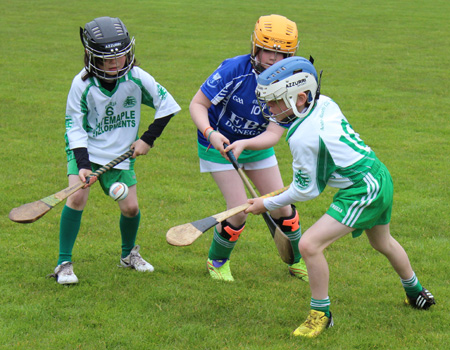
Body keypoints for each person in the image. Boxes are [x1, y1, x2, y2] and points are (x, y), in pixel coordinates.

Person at [236, 56, 435, 337]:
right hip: (378, 174)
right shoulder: (324, 101)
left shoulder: (303, 137)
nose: (268, 108)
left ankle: (321, 314)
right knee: (382, 242)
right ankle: (415, 291)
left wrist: (265, 204)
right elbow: (316, 174)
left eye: (274, 101)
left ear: (300, 97)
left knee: (309, 245)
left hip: (363, 189)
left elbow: (307, 190)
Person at [49, 16, 181, 285]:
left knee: (131, 208)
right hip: (84, 149)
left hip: (120, 154)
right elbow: (74, 127)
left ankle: (127, 256)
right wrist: (83, 164)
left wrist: (147, 139)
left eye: (120, 56)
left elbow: (168, 105)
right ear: (91, 57)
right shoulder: (82, 84)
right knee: (76, 199)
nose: (115, 63)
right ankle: (64, 263)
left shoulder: (136, 77)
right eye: (106, 58)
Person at [189, 14, 308, 282]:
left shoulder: (292, 82)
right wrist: (211, 133)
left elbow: (274, 133)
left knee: (282, 207)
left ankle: (297, 259)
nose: (273, 59)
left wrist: (245, 144)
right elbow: (197, 104)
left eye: (281, 54)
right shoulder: (235, 69)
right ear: (256, 46)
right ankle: (217, 261)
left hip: (255, 144)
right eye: (268, 50)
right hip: (217, 144)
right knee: (240, 210)